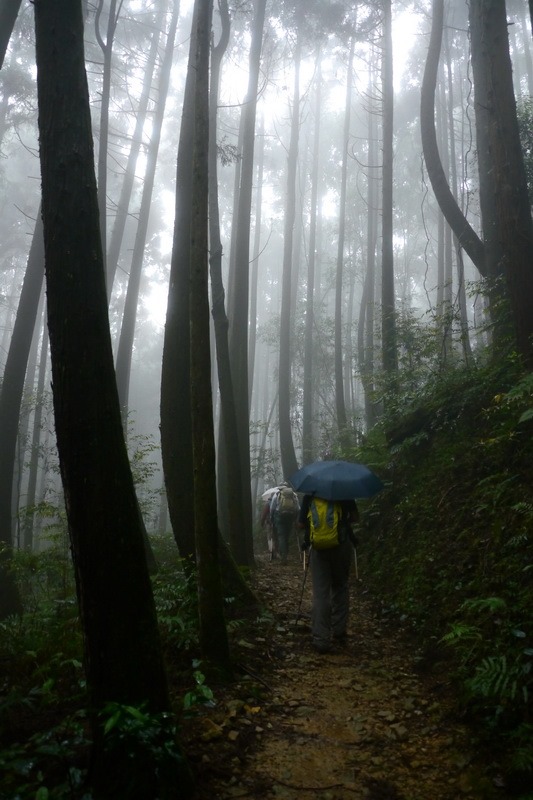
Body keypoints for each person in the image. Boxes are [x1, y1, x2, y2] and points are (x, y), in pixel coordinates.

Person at [298, 495, 359, 653]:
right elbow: (355, 517)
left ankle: (321, 639)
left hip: (318, 548)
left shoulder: (310, 496)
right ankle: (339, 631)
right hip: (341, 546)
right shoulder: (344, 493)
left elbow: (300, 524)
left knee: (321, 593)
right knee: (340, 586)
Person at [270, 482, 300, 563]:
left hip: (279, 516)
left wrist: (271, 518)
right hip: (290, 517)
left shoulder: (277, 494)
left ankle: (283, 555)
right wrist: (296, 518)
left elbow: (272, 508)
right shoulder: (293, 495)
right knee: (286, 535)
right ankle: (286, 552)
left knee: (281, 535)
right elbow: (297, 508)